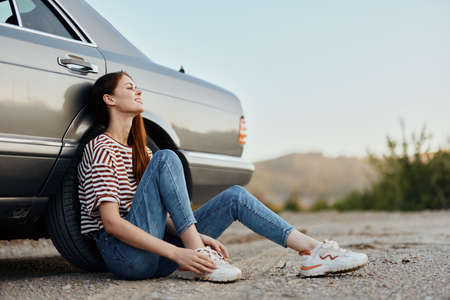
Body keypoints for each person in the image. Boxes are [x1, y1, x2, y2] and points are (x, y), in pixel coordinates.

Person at [77, 71, 368, 282]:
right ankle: (198, 255)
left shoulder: (142, 153)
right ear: (109, 99)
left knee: (235, 197)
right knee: (168, 157)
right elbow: (112, 224)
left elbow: (156, 219)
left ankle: (313, 251)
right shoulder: (101, 148)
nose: (138, 92)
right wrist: (182, 254)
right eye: (130, 87)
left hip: (158, 257)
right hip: (127, 258)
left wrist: (199, 237)